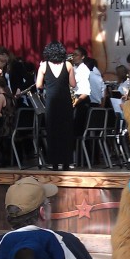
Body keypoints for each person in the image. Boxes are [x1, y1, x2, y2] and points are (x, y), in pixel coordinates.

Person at [36, 41, 76, 171]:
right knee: (66, 131)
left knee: (52, 131)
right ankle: (65, 163)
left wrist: (48, 83)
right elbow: (73, 84)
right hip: (65, 101)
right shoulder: (68, 65)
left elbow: (38, 85)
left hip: (51, 101)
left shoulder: (43, 66)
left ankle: (53, 163)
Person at [70, 45, 92, 139]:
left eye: (76, 55)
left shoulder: (84, 70)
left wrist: (75, 102)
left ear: (83, 57)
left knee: (77, 131)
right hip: (75, 99)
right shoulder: (73, 68)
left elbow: (85, 92)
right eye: (73, 55)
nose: (73, 57)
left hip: (80, 101)